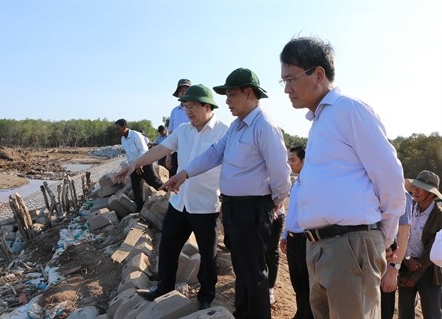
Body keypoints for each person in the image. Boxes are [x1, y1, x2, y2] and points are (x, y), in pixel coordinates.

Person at [279, 36, 406, 318]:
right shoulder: (320, 122)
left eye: (291, 78)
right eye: (283, 82)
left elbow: (390, 175)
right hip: (321, 248)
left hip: (350, 247)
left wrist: (382, 235)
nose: (286, 89)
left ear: (319, 74)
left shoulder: (349, 110)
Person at [162, 68, 292, 319]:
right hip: (234, 208)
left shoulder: (265, 126)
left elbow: (281, 175)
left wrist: (272, 205)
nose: (227, 101)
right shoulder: (236, 127)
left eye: (231, 95)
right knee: (242, 270)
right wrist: (184, 173)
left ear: (249, 93)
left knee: (254, 273)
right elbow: (214, 154)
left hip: (253, 208)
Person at [114, 84, 228, 310]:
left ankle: (206, 296)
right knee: (167, 246)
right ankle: (164, 287)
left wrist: (226, 200)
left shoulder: (224, 132)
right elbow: (160, 150)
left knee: (208, 254)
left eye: (193, 106)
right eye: (185, 107)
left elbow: (230, 169)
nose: (188, 111)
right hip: (179, 201)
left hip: (206, 205)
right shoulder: (183, 130)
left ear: (208, 106)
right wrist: (134, 164)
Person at [399, 170, 442, 319]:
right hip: (406, 265)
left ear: (431, 194)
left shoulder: (439, 216)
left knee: (432, 314)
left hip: (429, 271)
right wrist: (407, 258)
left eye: (421, 188)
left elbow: (434, 249)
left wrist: (414, 275)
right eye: (415, 186)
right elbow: (402, 236)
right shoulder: (409, 208)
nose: (415, 190)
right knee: (405, 314)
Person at [279, 145, 313, 319]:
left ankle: (308, 315)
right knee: (296, 281)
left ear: (304, 160)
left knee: (307, 283)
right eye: (289, 160)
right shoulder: (296, 184)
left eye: (293, 160)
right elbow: (291, 212)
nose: (290, 163)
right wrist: (285, 236)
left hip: (306, 240)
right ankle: (300, 313)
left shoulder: (312, 184)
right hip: (292, 240)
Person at [114, 119, 163, 211]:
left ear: (124, 127)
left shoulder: (135, 135)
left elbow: (143, 150)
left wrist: (139, 164)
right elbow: (128, 155)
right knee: (136, 188)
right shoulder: (123, 139)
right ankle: (140, 209)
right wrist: (131, 166)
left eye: (118, 128)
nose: (117, 131)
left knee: (154, 182)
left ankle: (170, 197)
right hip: (133, 166)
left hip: (144, 164)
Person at [381, 192, 411, 319]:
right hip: (362, 265)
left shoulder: (402, 194)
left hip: (386, 266)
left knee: (384, 312)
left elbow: (403, 236)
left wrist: (393, 269)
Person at [167, 78, 191, 176]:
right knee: (174, 181)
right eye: (181, 91)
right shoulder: (174, 111)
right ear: (178, 93)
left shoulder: (197, 110)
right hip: (176, 151)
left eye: (186, 90)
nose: (184, 93)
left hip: (191, 151)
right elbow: (170, 133)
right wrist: (168, 155)